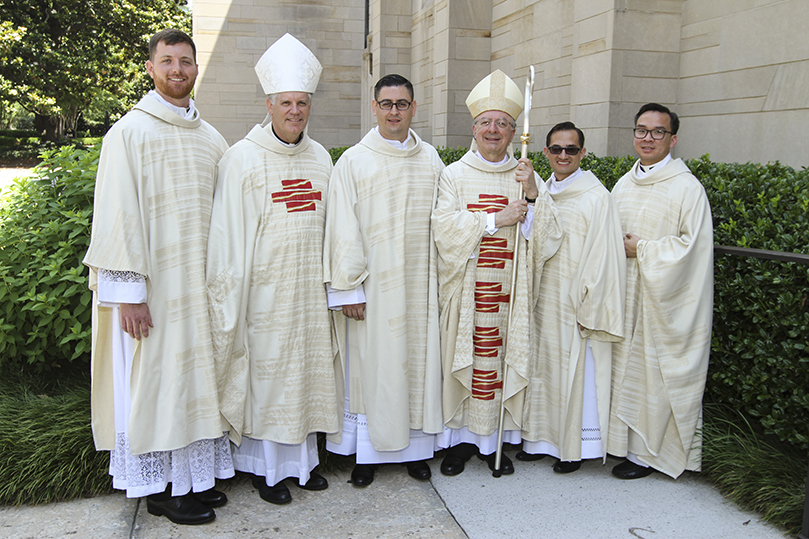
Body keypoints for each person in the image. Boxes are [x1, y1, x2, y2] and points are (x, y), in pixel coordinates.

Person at [83, 29, 233, 525]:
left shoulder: (212, 139)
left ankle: (193, 478)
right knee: (157, 383)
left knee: (195, 381)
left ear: (195, 69)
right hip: (152, 292)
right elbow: (117, 216)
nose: (177, 70)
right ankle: (161, 488)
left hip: (200, 290)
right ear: (150, 68)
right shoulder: (129, 133)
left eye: (185, 61)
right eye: (166, 61)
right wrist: (128, 294)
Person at [206, 33, 339, 506]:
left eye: (302, 103)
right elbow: (226, 236)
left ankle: (302, 464)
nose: (295, 111)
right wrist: (231, 297)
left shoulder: (322, 158)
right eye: (286, 102)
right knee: (269, 377)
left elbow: (334, 228)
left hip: (307, 292)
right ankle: (266, 471)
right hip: (263, 294)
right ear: (269, 104)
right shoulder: (242, 158)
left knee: (303, 373)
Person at [432, 70, 563, 476]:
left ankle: (493, 443)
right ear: (474, 128)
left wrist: (533, 197)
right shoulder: (453, 174)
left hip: (510, 291)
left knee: (501, 362)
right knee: (469, 360)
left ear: (513, 133)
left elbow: (547, 238)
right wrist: (495, 218)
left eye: (503, 124)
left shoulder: (525, 176)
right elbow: (443, 227)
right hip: (469, 290)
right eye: (487, 122)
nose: (494, 130)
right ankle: (460, 444)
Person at [323, 74, 445, 487]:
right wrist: (347, 288)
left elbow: (447, 220)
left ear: (414, 108)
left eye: (403, 103)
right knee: (372, 369)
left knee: (416, 364)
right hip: (372, 290)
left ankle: (414, 451)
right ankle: (367, 454)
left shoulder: (430, 159)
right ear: (374, 108)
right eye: (387, 103)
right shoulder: (354, 161)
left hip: (419, 286)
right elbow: (342, 227)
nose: (395, 111)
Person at [608, 103, 714, 480]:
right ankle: (622, 446)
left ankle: (649, 455)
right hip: (627, 297)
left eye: (657, 132)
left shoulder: (687, 188)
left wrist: (645, 250)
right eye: (641, 130)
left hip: (663, 304)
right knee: (624, 371)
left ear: (673, 139)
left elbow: (694, 248)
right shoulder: (623, 183)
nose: (647, 138)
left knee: (654, 373)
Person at [518, 121, 625, 473]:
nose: (563, 155)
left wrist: (591, 305)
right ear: (546, 152)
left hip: (576, 302)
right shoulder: (541, 191)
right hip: (543, 296)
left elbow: (605, 256)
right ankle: (538, 440)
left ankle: (573, 450)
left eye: (571, 149)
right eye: (556, 149)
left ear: (583, 153)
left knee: (575, 374)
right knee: (543, 368)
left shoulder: (597, 197)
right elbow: (533, 238)